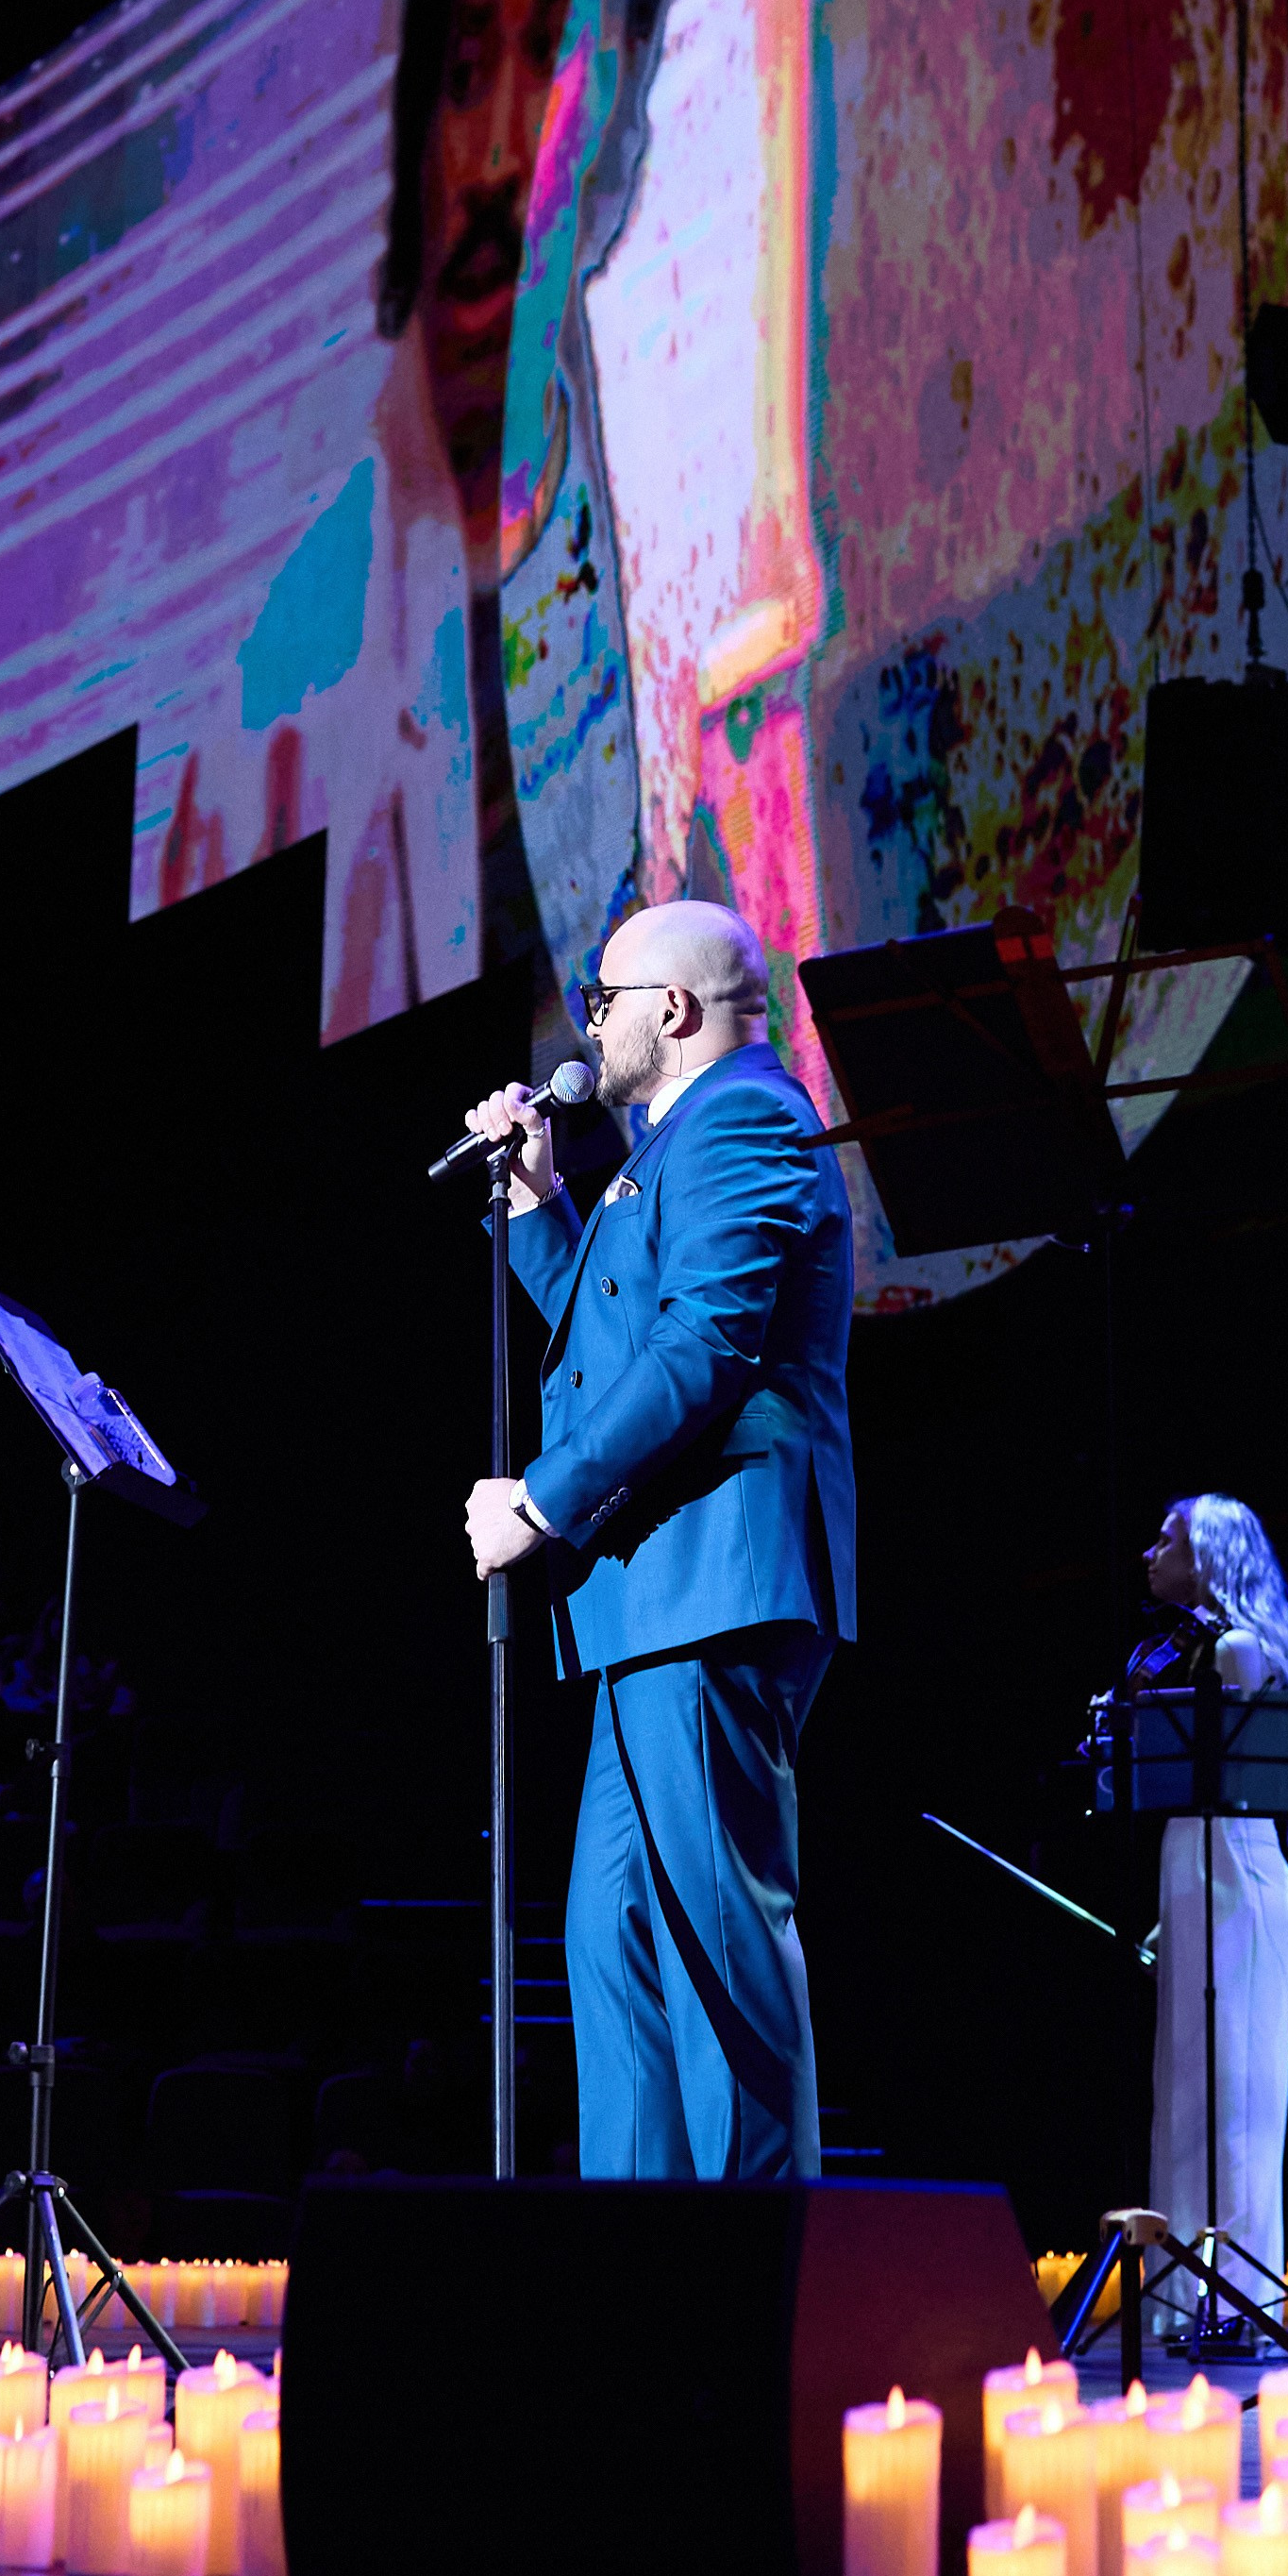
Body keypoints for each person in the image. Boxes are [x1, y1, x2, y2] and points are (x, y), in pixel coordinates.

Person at [460, 898, 856, 2183]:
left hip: (712, 1583)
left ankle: (751, 2269)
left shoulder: (741, 1115)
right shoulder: (664, 1145)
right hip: (655, 1600)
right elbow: (613, 1324)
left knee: (714, 1935)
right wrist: (536, 1203)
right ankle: (640, 2260)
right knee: (617, 1939)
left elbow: (703, 1345)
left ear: (671, 1012)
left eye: (605, 1002)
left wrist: (540, 1496)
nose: (593, 1028)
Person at [1126, 1493, 1288, 2324]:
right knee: (1188, 2089)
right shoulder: (1188, 1649)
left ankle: (1233, 2297)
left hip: (1236, 1872)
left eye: (1167, 1541)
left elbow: (1233, 1788)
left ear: (1207, 1560)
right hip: (1195, 1871)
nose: (1148, 1552)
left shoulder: (1233, 1648)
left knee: (1233, 2092)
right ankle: (1187, 2291)